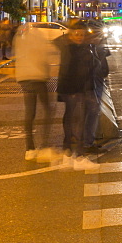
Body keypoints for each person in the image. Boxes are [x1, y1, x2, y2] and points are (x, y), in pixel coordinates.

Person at [55, 20, 108, 170]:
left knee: (72, 119)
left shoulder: (75, 47)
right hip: (76, 89)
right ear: (71, 35)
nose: (79, 37)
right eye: (76, 34)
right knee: (77, 121)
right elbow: (81, 70)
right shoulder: (75, 50)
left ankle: (68, 153)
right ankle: (78, 157)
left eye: (81, 35)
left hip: (75, 88)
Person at [14, 22, 61, 162]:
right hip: (38, 78)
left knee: (30, 112)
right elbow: (44, 58)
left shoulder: (19, 38)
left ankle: (29, 148)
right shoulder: (40, 38)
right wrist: (47, 74)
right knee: (47, 109)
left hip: (24, 79)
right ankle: (44, 145)